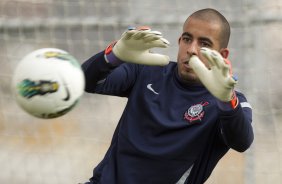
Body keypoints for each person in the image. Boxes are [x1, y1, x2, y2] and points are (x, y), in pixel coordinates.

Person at [81, 8, 254, 184]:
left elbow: (241, 142)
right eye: (187, 39)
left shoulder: (229, 103)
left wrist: (226, 99)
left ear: (222, 55)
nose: (192, 49)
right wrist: (114, 56)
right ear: (180, 41)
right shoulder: (146, 70)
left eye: (205, 44)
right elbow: (85, 82)